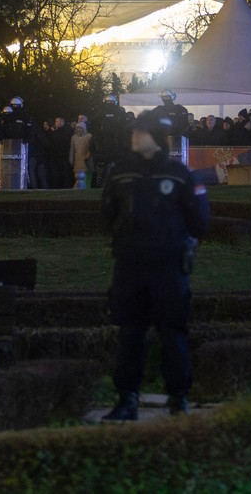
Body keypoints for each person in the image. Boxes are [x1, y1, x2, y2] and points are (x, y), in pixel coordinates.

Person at [99, 113, 210, 421]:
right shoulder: (121, 172)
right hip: (130, 266)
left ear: (156, 138)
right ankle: (127, 399)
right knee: (129, 333)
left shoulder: (179, 173)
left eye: (142, 132)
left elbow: (200, 221)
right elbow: (107, 214)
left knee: (172, 332)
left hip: (168, 266)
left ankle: (178, 398)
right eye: (134, 131)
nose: (135, 136)